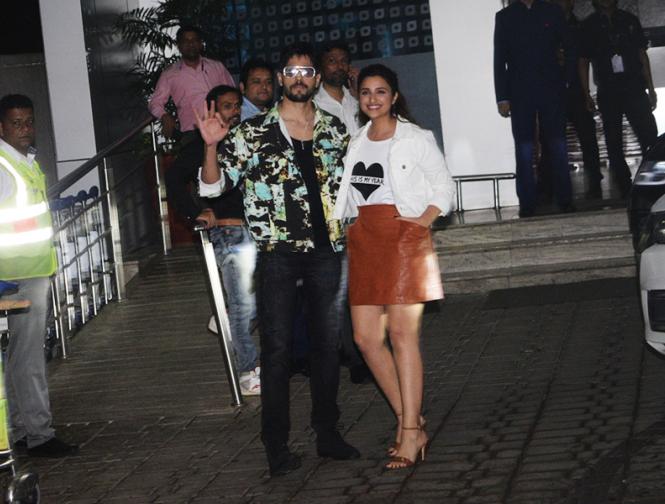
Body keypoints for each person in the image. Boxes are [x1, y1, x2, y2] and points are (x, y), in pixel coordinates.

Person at [196, 42, 360, 477]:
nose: (299, 79)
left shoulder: (334, 130)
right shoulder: (252, 133)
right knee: (278, 349)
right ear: (281, 78)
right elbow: (213, 187)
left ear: (316, 79)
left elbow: (351, 187)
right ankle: (276, 445)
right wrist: (211, 146)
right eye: (291, 72)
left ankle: (328, 433)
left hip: (327, 251)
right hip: (277, 254)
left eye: (307, 72)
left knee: (327, 345)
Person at [333, 64, 455, 469]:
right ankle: (410, 420)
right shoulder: (356, 140)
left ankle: (410, 431)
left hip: (403, 239)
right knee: (366, 338)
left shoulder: (415, 138)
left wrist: (422, 221)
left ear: (394, 96)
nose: (373, 99)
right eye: (366, 92)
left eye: (381, 91)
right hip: (364, 239)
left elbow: (444, 186)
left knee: (403, 335)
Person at [165, 85, 260, 396]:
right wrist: (196, 212)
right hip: (230, 232)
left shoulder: (247, 139)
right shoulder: (200, 146)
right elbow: (174, 180)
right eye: (227, 106)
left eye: (237, 106)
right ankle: (248, 371)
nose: (235, 112)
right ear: (213, 110)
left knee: (259, 300)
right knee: (243, 305)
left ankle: (225, 319)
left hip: (259, 231)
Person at [0, 94, 78, 457]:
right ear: (1, 127)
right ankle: (39, 434)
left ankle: (19, 429)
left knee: (20, 355)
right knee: (29, 357)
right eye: (16, 123)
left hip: (27, 269)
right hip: (17, 273)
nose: (25, 129)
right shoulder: (6, 166)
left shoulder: (23, 162)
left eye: (29, 122)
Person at [494, 0, 574, 217]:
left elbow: (570, 46)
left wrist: (567, 80)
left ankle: (565, 199)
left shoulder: (552, 11)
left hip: (552, 89)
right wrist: (502, 97)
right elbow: (499, 59)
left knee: (558, 145)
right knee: (524, 149)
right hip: (519, 93)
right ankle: (527, 203)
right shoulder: (505, 17)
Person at [578, 0, 658, 198]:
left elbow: (642, 54)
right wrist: (586, 93)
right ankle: (625, 185)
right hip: (608, 89)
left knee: (649, 135)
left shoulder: (629, 20)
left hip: (634, 86)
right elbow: (583, 61)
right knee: (613, 140)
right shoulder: (589, 25)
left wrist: (651, 88)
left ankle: (653, 182)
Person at [539, 0, 603, 200]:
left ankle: (594, 180)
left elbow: (584, 59)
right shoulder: (544, 25)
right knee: (548, 139)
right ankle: (546, 187)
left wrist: (586, 94)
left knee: (588, 137)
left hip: (575, 90)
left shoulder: (581, 28)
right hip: (551, 90)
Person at [148, 25, 235, 141]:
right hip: (192, 134)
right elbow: (155, 103)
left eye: (194, 40)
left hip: (222, 127)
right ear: (179, 46)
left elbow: (233, 94)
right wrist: (164, 116)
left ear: (200, 44)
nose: (191, 44)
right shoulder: (169, 74)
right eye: (186, 41)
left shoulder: (216, 67)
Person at [314, 41, 360, 135]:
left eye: (344, 61)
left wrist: (359, 95)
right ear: (321, 67)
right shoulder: (313, 105)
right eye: (332, 61)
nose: (339, 66)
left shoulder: (357, 100)